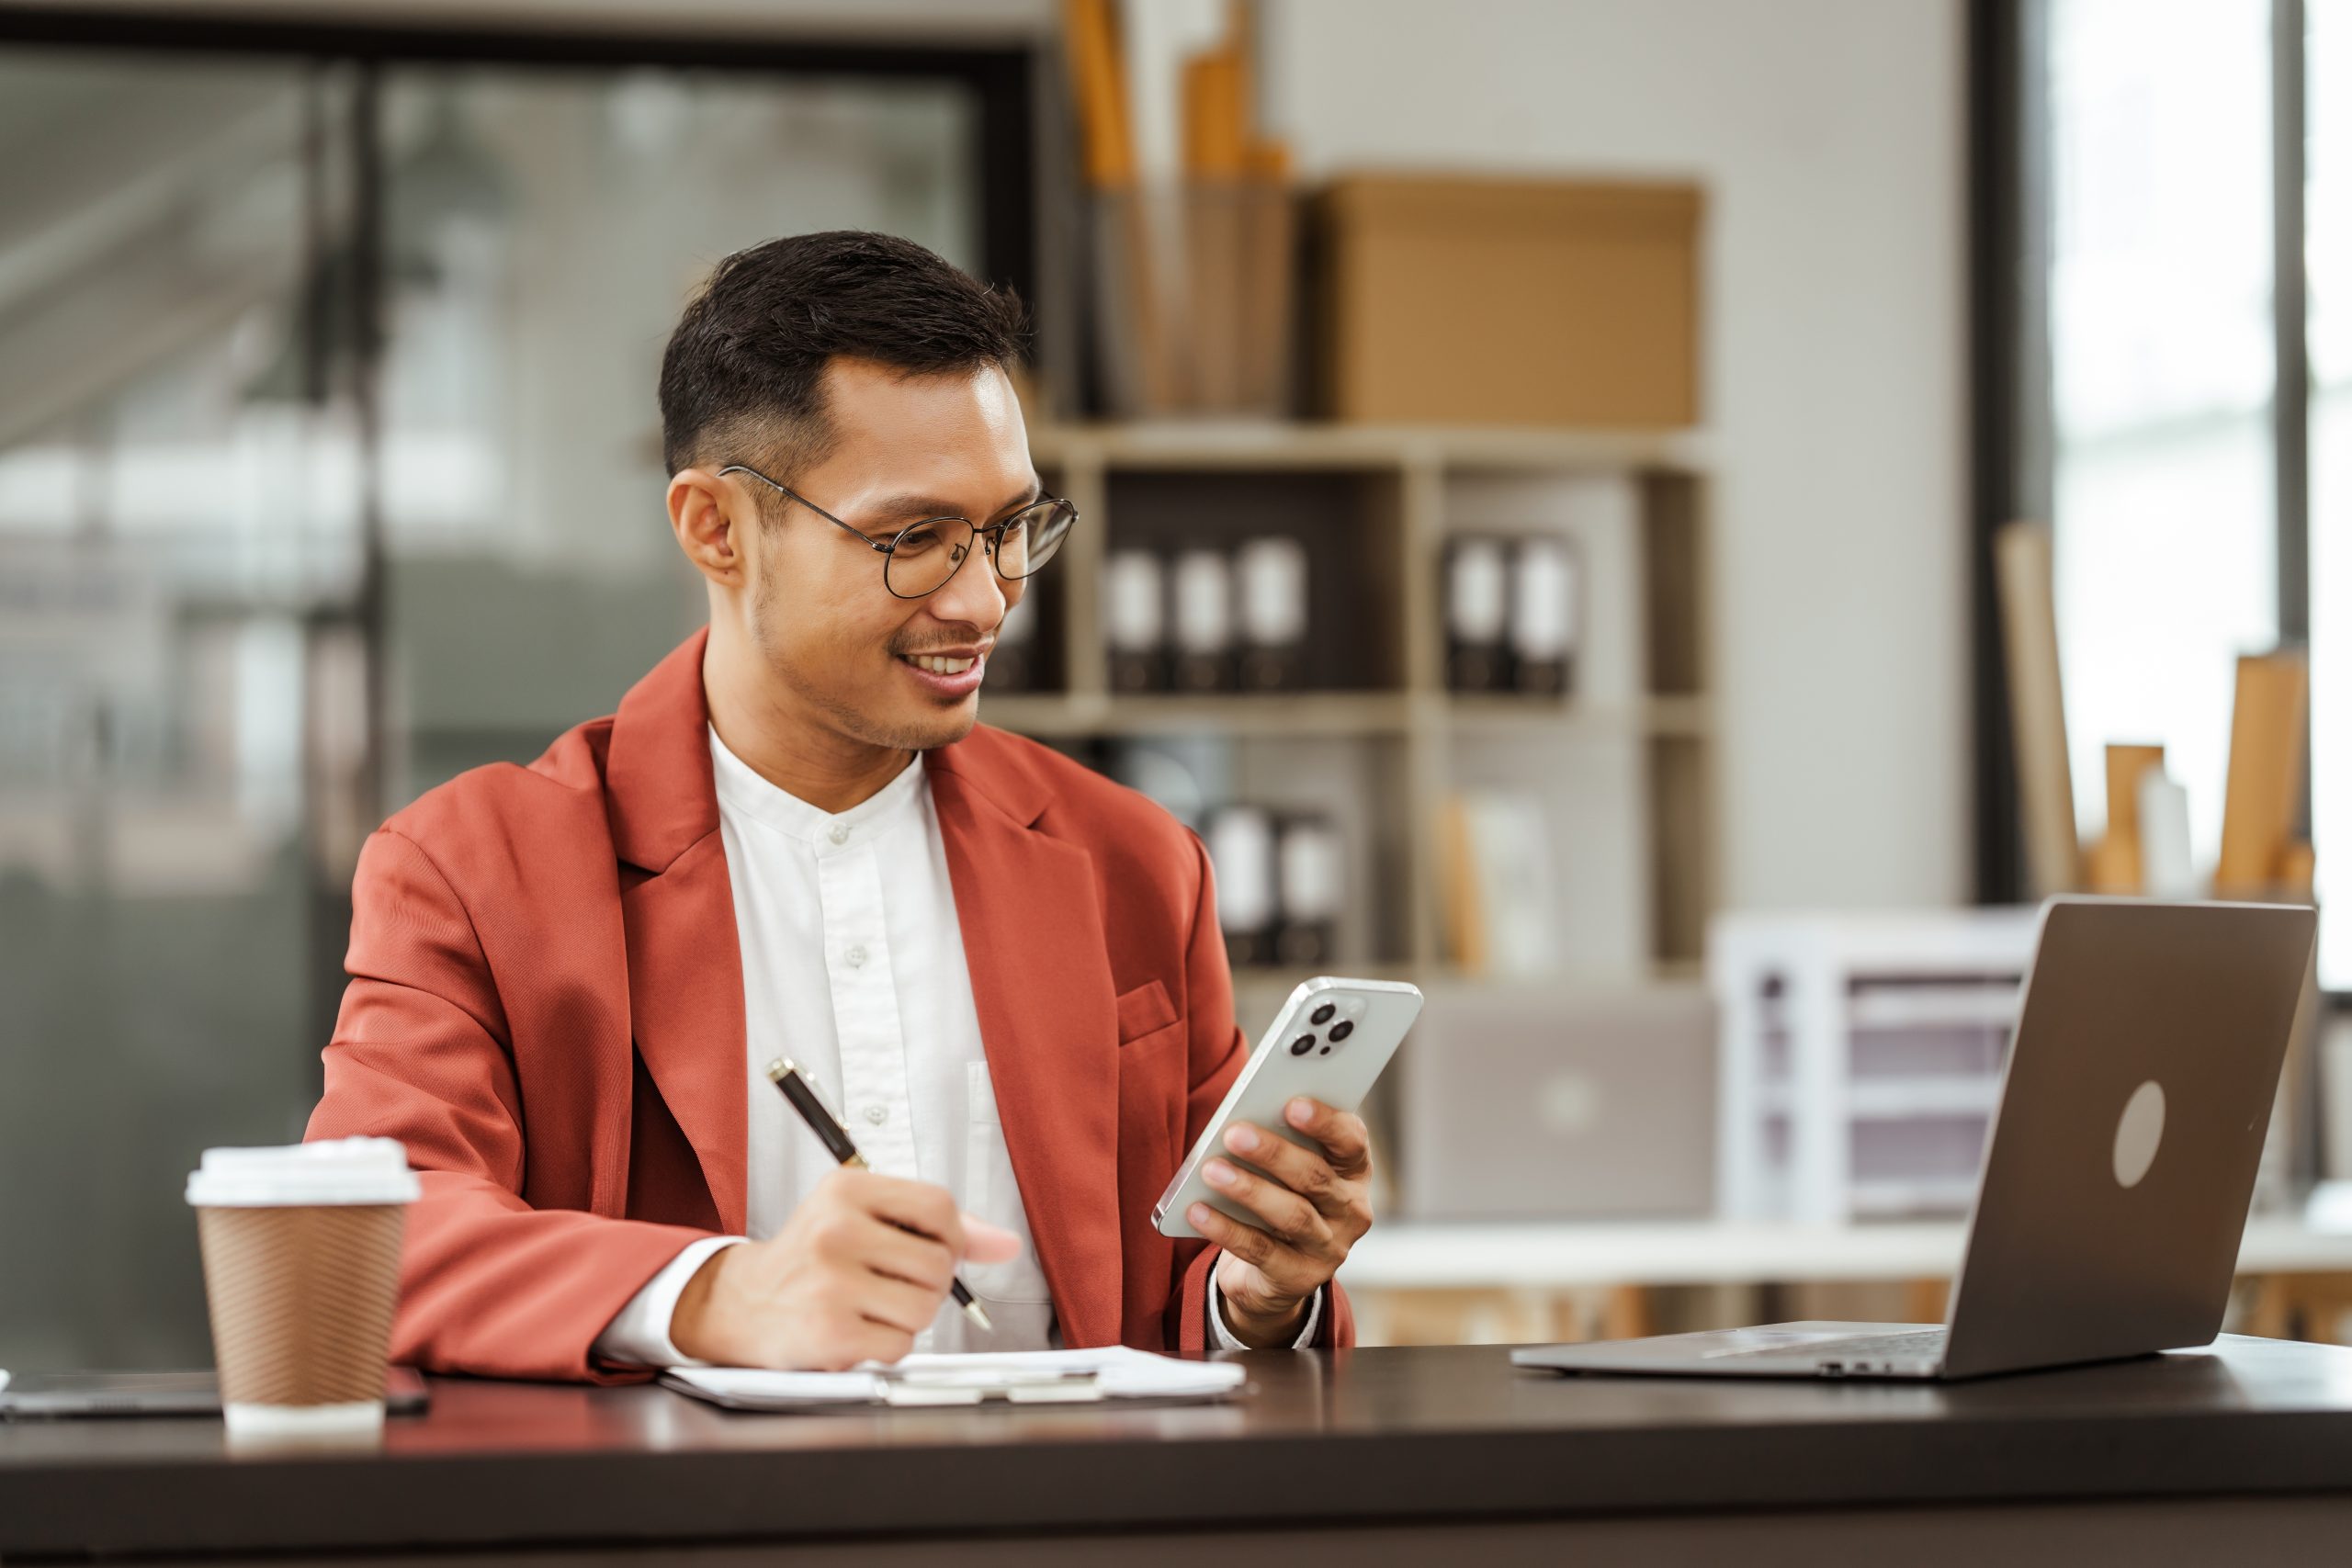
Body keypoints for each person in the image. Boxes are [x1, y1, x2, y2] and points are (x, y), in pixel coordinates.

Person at [305, 231, 1374, 1380]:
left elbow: (1186, 1307)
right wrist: (724, 1294)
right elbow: (367, 1232)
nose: (981, 600)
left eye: (1009, 530)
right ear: (716, 529)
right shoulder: (473, 869)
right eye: (913, 539)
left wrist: (1260, 1296)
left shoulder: (1133, 861)